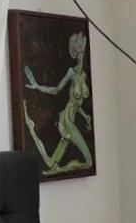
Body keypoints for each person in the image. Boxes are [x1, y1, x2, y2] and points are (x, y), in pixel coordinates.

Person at [23, 30, 93, 174]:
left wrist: (85, 115)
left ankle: (31, 128)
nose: (81, 44)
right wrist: (37, 86)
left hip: (70, 119)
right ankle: (58, 170)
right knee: (88, 162)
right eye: (77, 42)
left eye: (81, 41)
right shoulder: (71, 73)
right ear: (75, 49)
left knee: (50, 162)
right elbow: (56, 90)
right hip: (67, 121)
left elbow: (76, 102)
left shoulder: (84, 75)